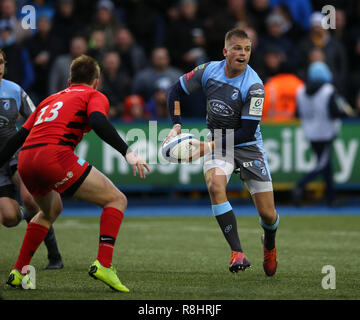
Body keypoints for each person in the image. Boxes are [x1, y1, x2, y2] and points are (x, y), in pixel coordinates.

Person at [0, 54, 150, 291]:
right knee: (116, 199)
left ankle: (19, 271)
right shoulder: (94, 94)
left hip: (26, 159)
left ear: (69, 80)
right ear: (96, 81)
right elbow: (99, 122)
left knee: (50, 211)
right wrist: (127, 152)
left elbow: (18, 137)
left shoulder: (50, 99)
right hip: (54, 156)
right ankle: (104, 264)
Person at [163, 28, 279, 276]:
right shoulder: (208, 71)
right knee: (215, 185)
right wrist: (176, 123)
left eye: (247, 49)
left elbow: (246, 132)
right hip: (218, 143)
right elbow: (174, 90)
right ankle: (237, 252)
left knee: (268, 215)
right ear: (225, 51)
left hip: (247, 147)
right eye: (237, 48)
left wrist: (207, 146)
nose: (243, 54)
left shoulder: (255, 86)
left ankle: (269, 243)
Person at [0, 49, 63, 269]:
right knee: (8, 218)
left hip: (15, 151)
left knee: (30, 198)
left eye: (0, 63)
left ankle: (54, 256)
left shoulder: (14, 90)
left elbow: (37, 117)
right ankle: (26, 215)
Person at [292, 61, 356, 207]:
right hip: (325, 132)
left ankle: (331, 198)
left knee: (327, 167)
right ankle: (300, 186)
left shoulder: (301, 90)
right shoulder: (328, 90)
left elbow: (297, 113)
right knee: (322, 165)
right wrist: (347, 113)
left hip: (310, 132)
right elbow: (334, 112)